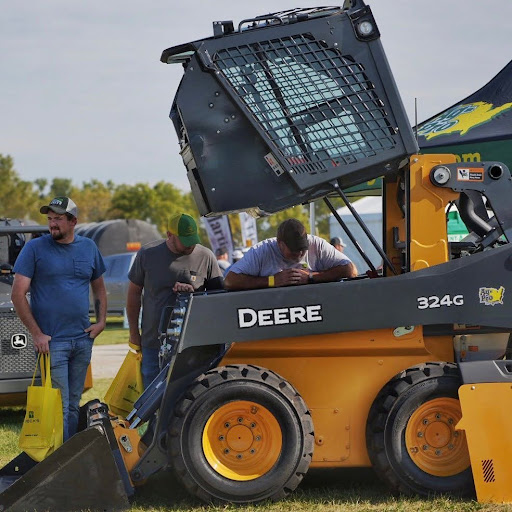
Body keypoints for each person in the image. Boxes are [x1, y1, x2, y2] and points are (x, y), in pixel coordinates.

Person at [11, 196, 107, 441]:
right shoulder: (35, 248)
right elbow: (17, 294)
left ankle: (66, 457)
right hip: (52, 343)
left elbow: (99, 287)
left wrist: (101, 321)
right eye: (50, 219)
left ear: (73, 221)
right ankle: (60, 464)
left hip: (82, 340)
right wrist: (36, 334)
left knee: (73, 403)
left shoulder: (88, 248)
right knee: (60, 406)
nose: (52, 224)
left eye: (58, 219)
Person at [127, 212, 223, 389]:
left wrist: (193, 293)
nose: (191, 246)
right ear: (169, 235)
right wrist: (134, 332)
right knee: (152, 398)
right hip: (153, 343)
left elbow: (219, 299)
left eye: (193, 239)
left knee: (190, 397)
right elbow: (133, 294)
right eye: (185, 241)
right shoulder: (148, 254)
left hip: (193, 345)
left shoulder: (206, 256)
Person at [224, 218, 356, 290]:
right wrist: (272, 281)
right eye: (294, 251)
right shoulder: (262, 251)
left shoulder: (316, 244)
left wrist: (311, 277)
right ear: (280, 244)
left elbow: (351, 270)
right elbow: (230, 281)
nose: (299, 254)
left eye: (303, 249)